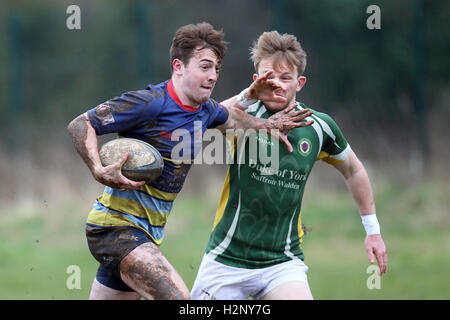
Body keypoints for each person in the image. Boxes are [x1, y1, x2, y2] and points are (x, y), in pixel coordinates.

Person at [67, 23, 312, 300]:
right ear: (178, 66)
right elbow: (81, 124)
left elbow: (232, 117)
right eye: (205, 67)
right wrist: (98, 170)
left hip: (145, 234)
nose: (213, 76)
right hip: (115, 228)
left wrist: (267, 123)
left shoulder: (204, 110)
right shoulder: (150, 103)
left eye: (216, 69)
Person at [191, 30, 388, 300]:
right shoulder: (242, 115)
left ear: (300, 82)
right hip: (226, 260)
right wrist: (248, 96)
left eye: (286, 78)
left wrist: (373, 232)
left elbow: (353, 170)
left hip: (281, 264)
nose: (278, 85)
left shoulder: (319, 127)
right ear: (256, 80)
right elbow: (200, 119)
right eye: (269, 77)